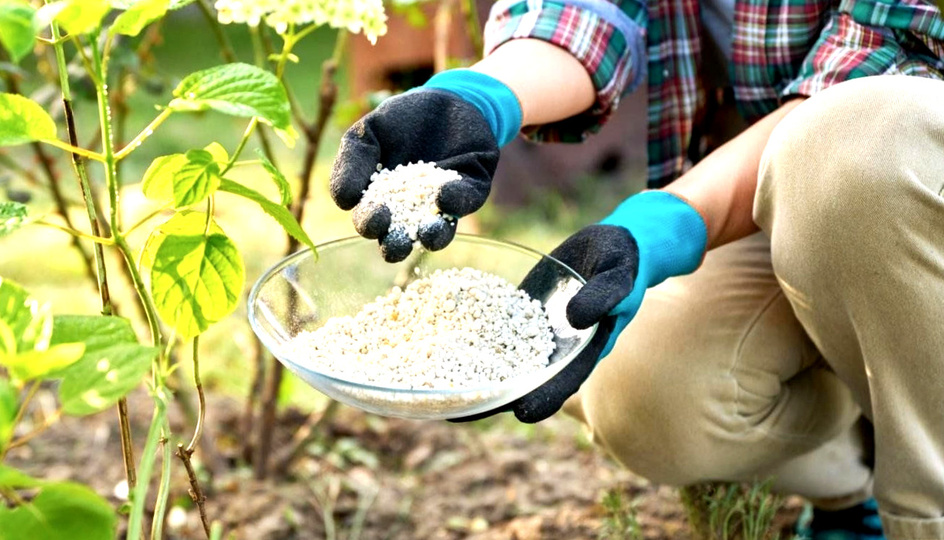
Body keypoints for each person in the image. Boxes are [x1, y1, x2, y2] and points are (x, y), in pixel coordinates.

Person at [327, 0, 944, 537]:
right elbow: (583, 11)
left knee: (858, 144)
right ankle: (851, 477)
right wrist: (477, 100)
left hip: (904, 178)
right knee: (642, 389)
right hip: (776, 195)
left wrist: (661, 224)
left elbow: (876, 65)